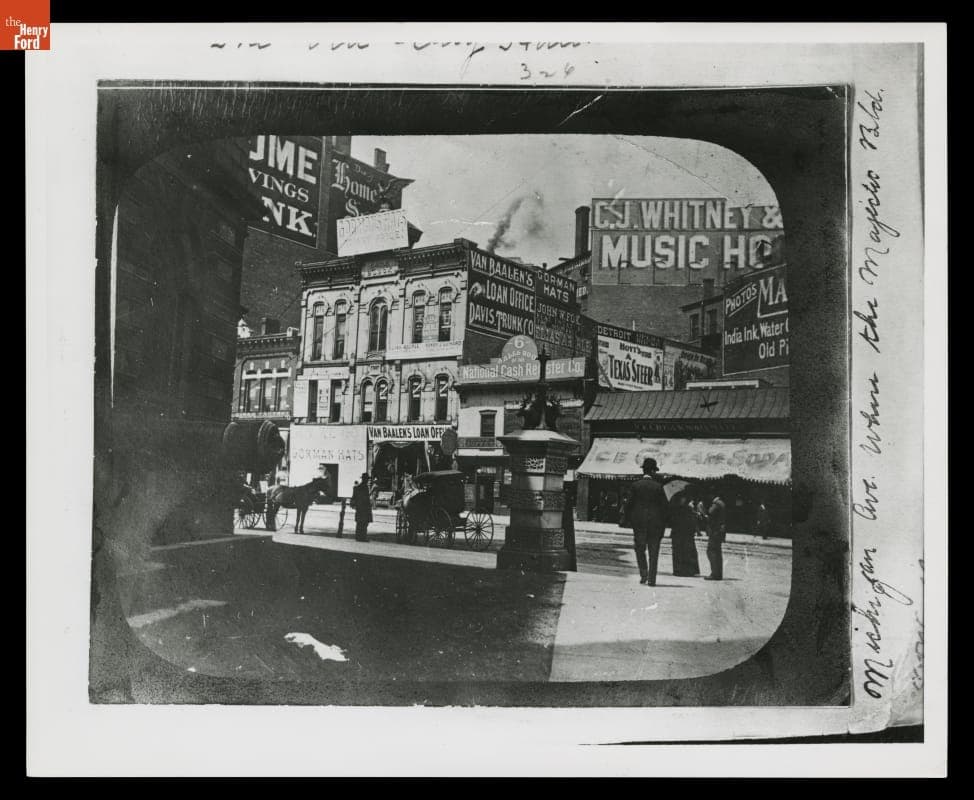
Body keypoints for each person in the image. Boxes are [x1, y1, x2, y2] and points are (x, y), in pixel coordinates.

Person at [628, 457, 668, 586]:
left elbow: (629, 505)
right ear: (652, 471)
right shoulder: (659, 487)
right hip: (655, 525)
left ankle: (643, 574)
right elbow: (664, 508)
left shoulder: (635, 486)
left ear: (643, 471)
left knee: (640, 550)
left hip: (639, 525)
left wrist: (631, 520)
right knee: (654, 552)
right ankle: (652, 579)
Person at [670, 494, 701, 577]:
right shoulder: (681, 508)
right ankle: (681, 570)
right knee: (681, 551)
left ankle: (685, 570)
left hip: (684, 533)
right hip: (681, 532)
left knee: (685, 551)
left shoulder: (687, 508)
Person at [706, 493, 727, 580]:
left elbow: (710, 512)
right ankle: (718, 574)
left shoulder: (717, 504)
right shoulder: (722, 503)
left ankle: (714, 574)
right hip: (719, 532)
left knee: (711, 551)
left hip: (715, 531)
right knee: (717, 552)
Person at [351, 472, 373, 542]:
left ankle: (358, 537)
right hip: (364, 507)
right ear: (365, 479)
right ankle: (362, 537)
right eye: (366, 479)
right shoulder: (364, 487)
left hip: (359, 507)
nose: (367, 480)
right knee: (364, 523)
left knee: (360, 522)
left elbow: (354, 497)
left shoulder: (357, 487)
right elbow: (365, 498)